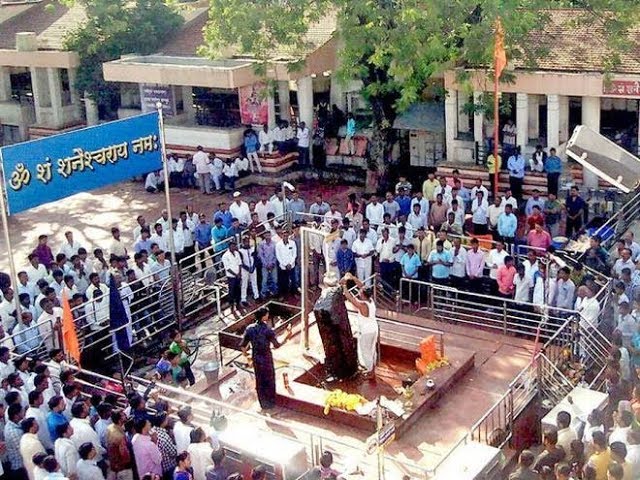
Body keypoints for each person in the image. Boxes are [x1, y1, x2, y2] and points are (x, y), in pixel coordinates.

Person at [241, 308, 293, 411]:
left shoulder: (249, 329)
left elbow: (243, 345)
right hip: (266, 358)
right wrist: (286, 335)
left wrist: (246, 355)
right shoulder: (267, 330)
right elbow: (277, 345)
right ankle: (271, 404)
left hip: (256, 357)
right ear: (264, 316)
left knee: (260, 381)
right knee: (269, 380)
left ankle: (263, 404)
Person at [341, 273, 378, 376]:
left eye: (361, 293)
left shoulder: (362, 305)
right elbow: (362, 286)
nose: (359, 292)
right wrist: (353, 278)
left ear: (363, 295)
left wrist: (344, 285)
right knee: (372, 350)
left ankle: (370, 371)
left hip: (367, 331)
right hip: (374, 328)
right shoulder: (371, 301)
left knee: (365, 351)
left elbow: (350, 298)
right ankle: (372, 369)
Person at [221, 241, 243, 313]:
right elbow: (227, 268)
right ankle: (231, 306)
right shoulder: (225, 256)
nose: (234, 247)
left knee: (238, 290)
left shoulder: (237, 253)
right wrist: (235, 274)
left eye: (234, 246)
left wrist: (239, 273)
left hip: (238, 275)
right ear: (229, 247)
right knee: (231, 292)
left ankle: (238, 304)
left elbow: (240, 263)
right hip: (231, 277)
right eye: (232, 246)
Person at [275, 230, 297, 295]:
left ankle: (293, 293)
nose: (285, 237)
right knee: (283, 281)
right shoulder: (278, 244)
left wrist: (290, 263)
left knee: (293, 280)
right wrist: (285, 265)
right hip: (283, 266)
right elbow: (278, 256)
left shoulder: (293, 243)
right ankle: (284, 294)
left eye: (287, 236)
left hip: (291, 265)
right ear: (282, 236)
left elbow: (294, 254)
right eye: (284, 236)